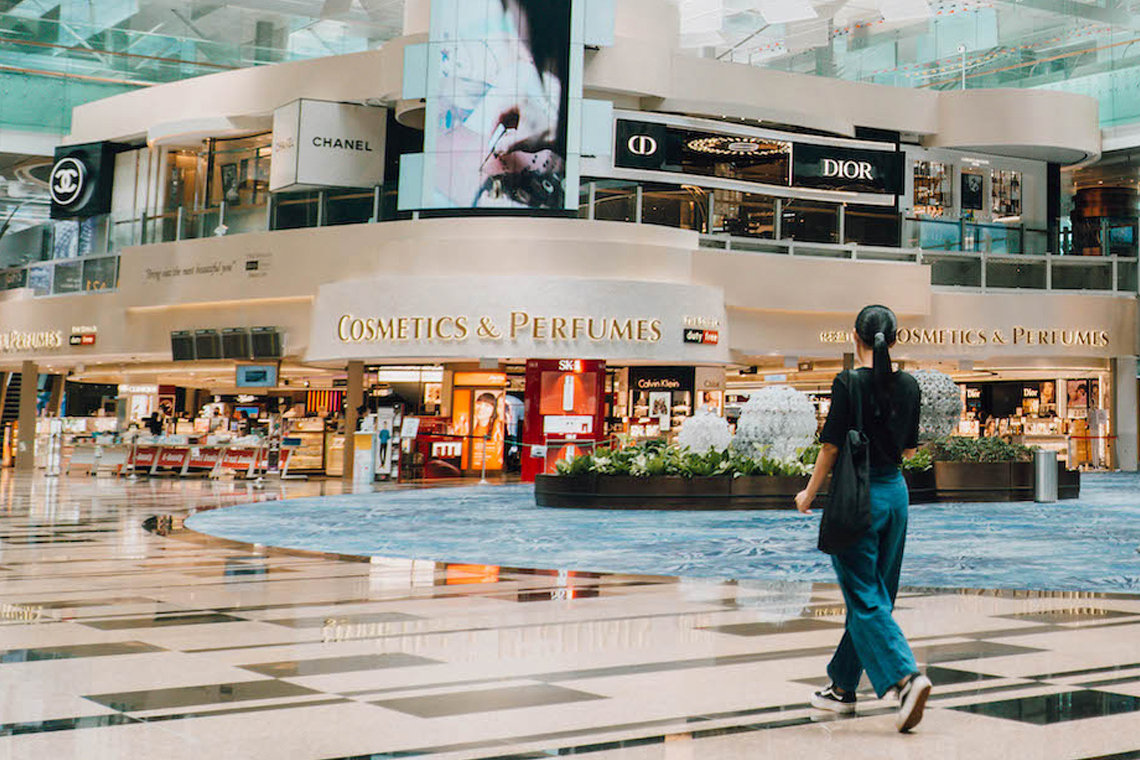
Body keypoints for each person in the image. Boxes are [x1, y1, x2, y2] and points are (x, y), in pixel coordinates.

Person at [794, 305, 933, 733]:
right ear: (895, 339)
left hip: (858, 496)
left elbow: (831, 448)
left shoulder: (847, 382)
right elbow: (909, 451)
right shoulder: (910, 385)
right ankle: (842, 685)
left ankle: (906, 679)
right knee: (876, 595)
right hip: (896, 495)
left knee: (863, 594)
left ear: (853, 336)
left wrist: (808, 493)